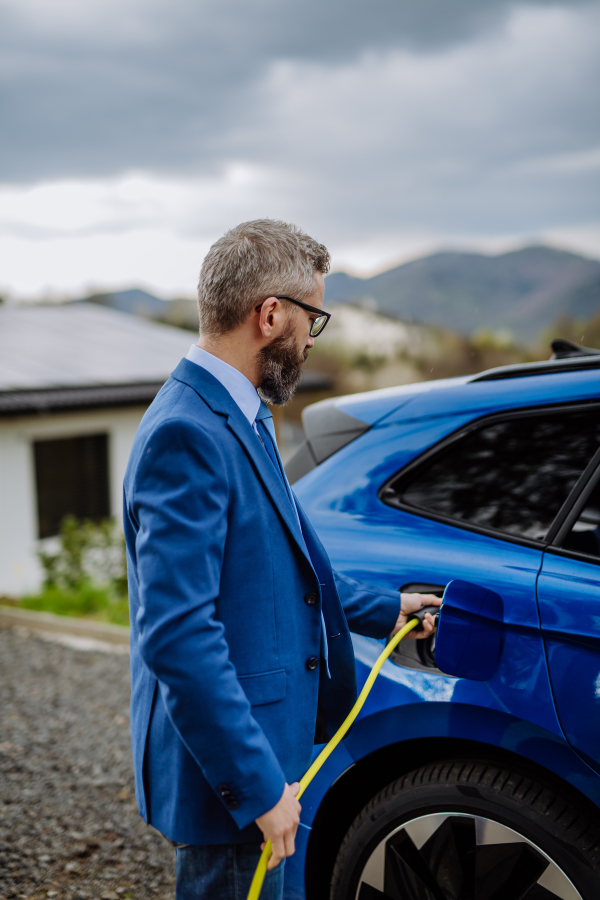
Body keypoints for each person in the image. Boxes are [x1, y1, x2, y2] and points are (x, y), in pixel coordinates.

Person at [123, 219, 440, 900]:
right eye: (310, 318)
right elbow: (176, 636)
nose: (310, 338)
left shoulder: (246, 413)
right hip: (233, 782)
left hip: (270, 749)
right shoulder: (187, 433)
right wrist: (262, 786)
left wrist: (388, 608)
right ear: (270, 315)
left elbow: (283, 564)